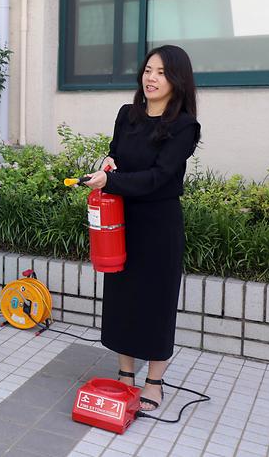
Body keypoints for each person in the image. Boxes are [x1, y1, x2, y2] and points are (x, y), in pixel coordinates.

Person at [83, 45, 201, 412]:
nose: (151, 78)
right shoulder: (127, 114)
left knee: (155, 302)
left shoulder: (184, 126)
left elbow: (160, 177)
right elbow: (115, 152)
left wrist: (110, 183)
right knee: (122, 298)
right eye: (148, 70)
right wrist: (108, 163)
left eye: (161, 72)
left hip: (159, 224)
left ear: (177, 79)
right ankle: (125, 374)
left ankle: (154, 380)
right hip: (121, 220)